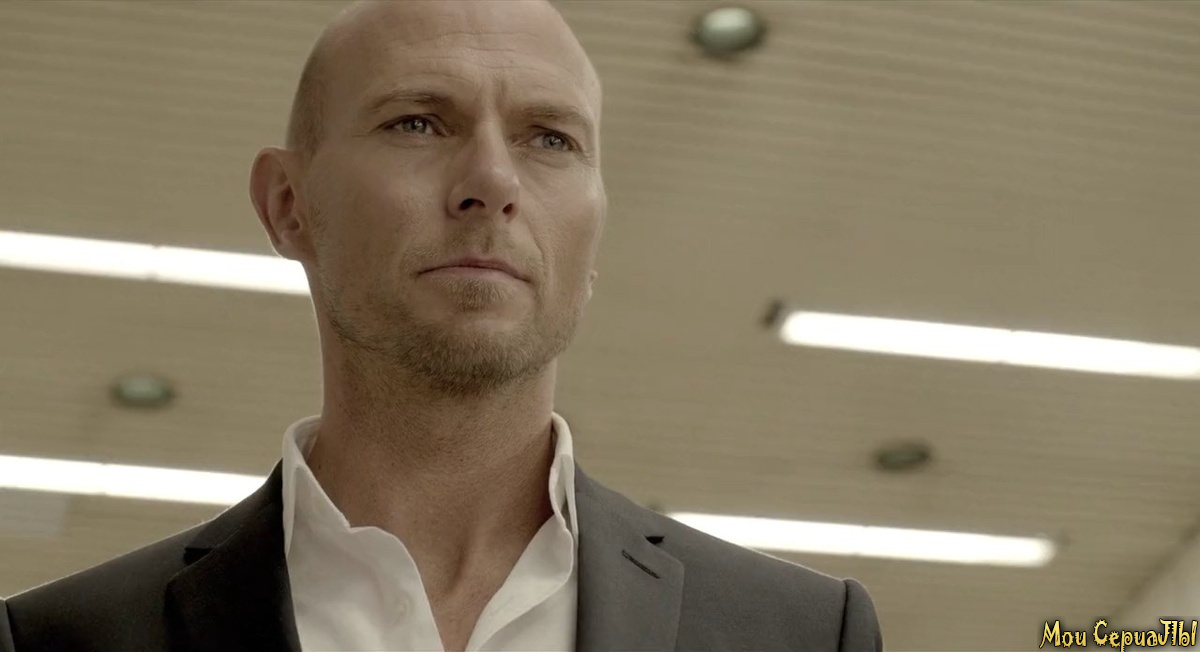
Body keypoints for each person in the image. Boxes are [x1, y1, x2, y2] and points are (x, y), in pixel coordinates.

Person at [0, 1, 882, 650]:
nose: (492, 181)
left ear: (595, 231)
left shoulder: (801, 634)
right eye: (418, 122)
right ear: (289, 204)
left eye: (551, 139)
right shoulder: (61, 641)